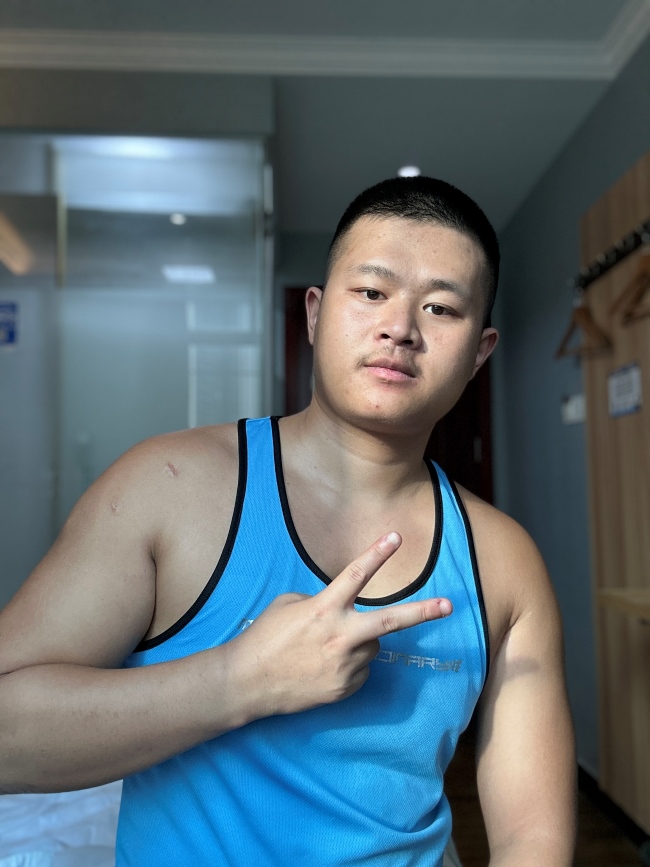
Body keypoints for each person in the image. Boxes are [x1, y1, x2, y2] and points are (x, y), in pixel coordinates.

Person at [0, 177, 576, 866]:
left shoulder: (504, 561)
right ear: (315, 312)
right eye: (372, 292)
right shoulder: (167, 486)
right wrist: (239, 680)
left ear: (479, 352)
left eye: (440, 307)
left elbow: (531, 837)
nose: (400, 328)